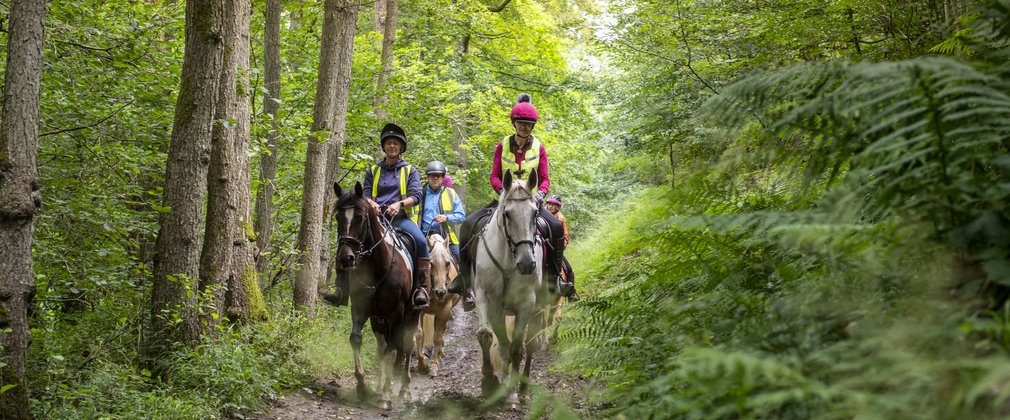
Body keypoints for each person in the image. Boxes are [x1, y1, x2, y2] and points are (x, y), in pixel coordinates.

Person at [449, 93, 572, 310]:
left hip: (529, 201)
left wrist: (540, 195)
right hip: (504, 201)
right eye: (521, 123)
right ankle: (464, 280)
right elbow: (494, 175)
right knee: (468, 224)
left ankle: (554, 279)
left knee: (554, 226)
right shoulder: (502, 145)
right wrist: (502, 192)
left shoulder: (539, 148)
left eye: (528, 124)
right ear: (514, 123)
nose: (524, 127)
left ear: (532, 126)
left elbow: (544, 179)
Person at [350, 122, 431, 309]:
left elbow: (416, 195)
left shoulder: (410, 170)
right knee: (351, 240)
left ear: (401, 147)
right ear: (384, 147)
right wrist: (371, 204)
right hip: (377, 220)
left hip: (401, 219)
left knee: (420, 241)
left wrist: (399, 204)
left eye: (395, 143)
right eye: (388, 143)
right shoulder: (373, 170)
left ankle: (422, 288)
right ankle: (345, 288)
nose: (392, 146)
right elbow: (365, 193)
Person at [416, 161, 465, 264]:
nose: (435, 178)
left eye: (438, 176)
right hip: (424, 238)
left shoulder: (451, 193)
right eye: (432, 175)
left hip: (446, 238)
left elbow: (461, 216)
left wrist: (446, 218)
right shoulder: (420, 194)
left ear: (443, 178)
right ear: (428, 177)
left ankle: (460, 280)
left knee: (461, 259)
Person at [545, 195, 577, 300]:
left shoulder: (561, 218)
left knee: (568, 269)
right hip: (542, 247)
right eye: (549, 204)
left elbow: (565, 236)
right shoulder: (542, 216)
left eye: (553, 205)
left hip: (555, 250)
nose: (550, 206)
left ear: (558, 207)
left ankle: (571, 291)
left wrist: (560, 247)